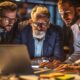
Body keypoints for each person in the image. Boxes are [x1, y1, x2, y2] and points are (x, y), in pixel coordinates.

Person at [57, 0, 80, 64]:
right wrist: (64, 64)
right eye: (61, 13)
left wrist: (75, 66)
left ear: (78, 11)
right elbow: (78, 52)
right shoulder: (75, 27)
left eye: (67, 12)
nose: (64, 17)